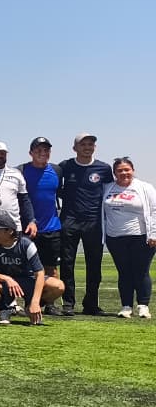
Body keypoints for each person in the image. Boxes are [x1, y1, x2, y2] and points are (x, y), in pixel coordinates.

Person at [58, 133, 112, 317]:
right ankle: (68, 303)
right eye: (83, 144)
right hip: (69, 221)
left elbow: (109, 192)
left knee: (94, 265)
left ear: (94, 147)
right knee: (67, 264)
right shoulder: (65, 166)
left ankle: (91, 304)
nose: (87, 147)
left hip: (94, 223)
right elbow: (56, 189)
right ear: (75, 148)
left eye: (90, 144)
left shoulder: (104, 168)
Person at [0, 211, 64, 325]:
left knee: (58, 286)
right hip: (4, 283)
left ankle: (30, 307)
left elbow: (39, 273)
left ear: (9, 231)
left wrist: (35, 302)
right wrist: (7, 279)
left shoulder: (26, 244)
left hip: (28, 281)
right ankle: (4, 309)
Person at [101, 157, 156, 319]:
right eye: (120, 170)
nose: (124, 173)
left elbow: (154, 210)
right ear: (114, 173)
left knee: (141, 271)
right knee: (124, 272)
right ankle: (126, 306)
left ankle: (143, 306)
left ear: (133, 170)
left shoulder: (145, 187)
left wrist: (153, 234)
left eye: (127, 169)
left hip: (141, 237)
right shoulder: (107, 188)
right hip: (115, 237)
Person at [20, 138, 64, 305]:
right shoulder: (21, 171)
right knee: (26, 269)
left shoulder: (57, 170)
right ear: (30, 153)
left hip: (52, 228)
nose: (42, 153)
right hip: (28, 229)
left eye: (46, 150)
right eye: (38, 150)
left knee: (51, 268)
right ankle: (24, 302)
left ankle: (49, 303)